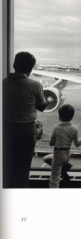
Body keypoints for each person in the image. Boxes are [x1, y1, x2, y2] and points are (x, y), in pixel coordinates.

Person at [3, 52, 48, 188]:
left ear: (14, 65)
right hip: (26, 130)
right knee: (23, 168)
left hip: (5, 129)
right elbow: (41, 107)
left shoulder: (3, 83)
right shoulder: (34, 85)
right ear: (31, 68)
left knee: (6, 166)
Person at [44, 104, 81, 188]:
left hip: (57, 156)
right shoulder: (75, 128)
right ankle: (65, 166)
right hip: (66, 156)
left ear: (60, 116)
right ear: (72, 116)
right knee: (52, 161)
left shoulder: (56, 127)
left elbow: (51, 143)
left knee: (54, 181)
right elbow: (77, 144)